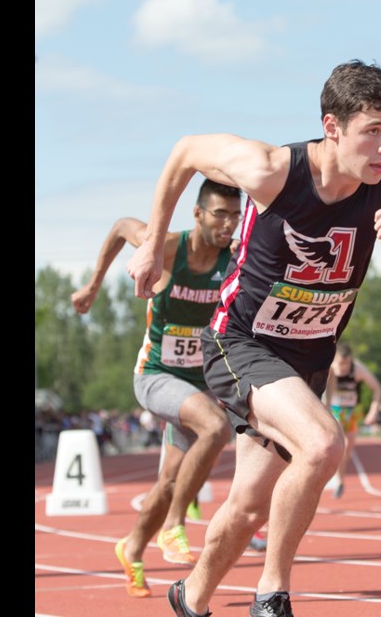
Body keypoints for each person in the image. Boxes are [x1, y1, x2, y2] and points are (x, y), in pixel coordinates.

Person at [125, 59, 381, 617]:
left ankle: (192, 597)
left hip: (308, 361)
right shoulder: (271, 168)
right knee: (324, 445)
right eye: (373, 131)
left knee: (248, 504)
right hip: (241, 343)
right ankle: (271, 595)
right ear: (332, 127)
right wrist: (154, 243)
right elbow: (184, 151)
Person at [70, 179, 242, 598]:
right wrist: (93, 286)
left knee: (169, 482)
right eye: (219, 214)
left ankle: (131, 548)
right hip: (155, 375)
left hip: (196, 386)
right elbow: (118, 226)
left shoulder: (233, 257)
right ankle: (174, 526)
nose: (228, 224)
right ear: (198, 214)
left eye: (234, 216)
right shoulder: (166, 247)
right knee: (217, 428)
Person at [323, 342, 381, 499]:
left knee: (347, 452)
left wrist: (373, 411)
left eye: (346, 363)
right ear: (333, 360)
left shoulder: (357, 370)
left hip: (352, 412)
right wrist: (326, 411)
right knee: (339, 447)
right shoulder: (328, 370)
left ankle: (340, 480)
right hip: (335, 411)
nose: (343, 367)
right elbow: (324, 394)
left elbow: (377, 388)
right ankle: (337, 480)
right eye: (340, 363)